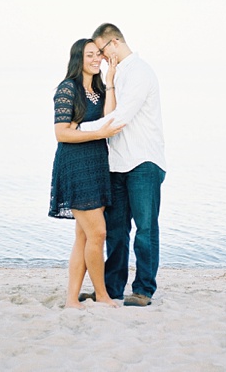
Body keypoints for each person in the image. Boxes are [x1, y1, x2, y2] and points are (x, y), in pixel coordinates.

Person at [78, 23, 166, 307]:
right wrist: (111, 79)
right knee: (116, 232)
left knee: (145, 230)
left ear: (114, 43)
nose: (100, 58)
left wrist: (78, 129)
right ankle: (112, 289)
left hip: (143, 162)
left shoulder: (140, 72)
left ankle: (143, 290)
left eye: (102, 51)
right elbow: (111, 110)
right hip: (117, 164)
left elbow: (120, 117)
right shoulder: (117, 74)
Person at [48, 38, 124, 309]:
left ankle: (71, 299)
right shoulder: (67, 89)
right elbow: (61, 133)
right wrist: (98, 133)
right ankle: (101, 294)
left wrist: (111, 79)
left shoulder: (99, 88)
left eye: (98, 55)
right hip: (75, 166)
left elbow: (109, 116)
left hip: (97, 165)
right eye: (89, 55)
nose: (95, 59)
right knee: (98, 234)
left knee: (83, 236)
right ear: (78, 58)